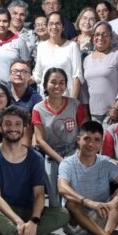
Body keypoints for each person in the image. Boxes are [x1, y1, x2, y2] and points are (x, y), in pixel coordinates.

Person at [0, 107, 68, 235]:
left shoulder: (35, 158)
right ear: (0, 126)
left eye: (18, 124)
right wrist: (17, 221)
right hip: (2, 212)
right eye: (8, 124)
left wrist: (33, 222)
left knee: (63, 214)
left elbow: (39, 195)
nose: (13, 128)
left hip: (28, 211)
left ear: (24, 127)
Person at [58, 120, 118, 235]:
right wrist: (88, 202)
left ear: (101, 143)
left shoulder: (106, 162)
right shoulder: (67, 163)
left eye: (97, 140)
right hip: (76, 222)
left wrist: (113, 203)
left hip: (102, 214)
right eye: (87, 139)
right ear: (78, 140)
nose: (91, 144)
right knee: (71, 201)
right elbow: (62, 188)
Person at [32, 68, 86, 213]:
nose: (57, 86)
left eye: (62, 82)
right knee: (54, 197)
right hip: (51, 154)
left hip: (74, 152)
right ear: (45, 85)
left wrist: (76, 156)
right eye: (53, 82)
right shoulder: (38, 109)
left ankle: (75, 220)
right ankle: (56, 219)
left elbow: (84, 132)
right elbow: (40, 140)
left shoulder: (75, 104)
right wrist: (61, 160)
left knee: (74, 192)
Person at [84, 21, 118, 124]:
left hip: (113, 113)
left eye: (105, 34)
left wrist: (116, 107)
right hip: (94, 113)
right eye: (97, 34)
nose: (100, 37)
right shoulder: (87, 59)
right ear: (93, 38)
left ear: (111, 38)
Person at [33, 12, 83, 98]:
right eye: (51, 24)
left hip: (66, 98)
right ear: (47, 26)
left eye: (58, 24)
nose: (54, 27)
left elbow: (77, 76)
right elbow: (37, 75)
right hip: (45, 99)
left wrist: (73, 101)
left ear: (63, 27)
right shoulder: (41, 46)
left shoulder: (72, 46)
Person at [0, 7, 31, 83]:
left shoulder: (19, 41)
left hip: (13, 89)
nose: (1, 24)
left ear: (9, 23)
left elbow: (26, 68)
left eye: (5, 21)